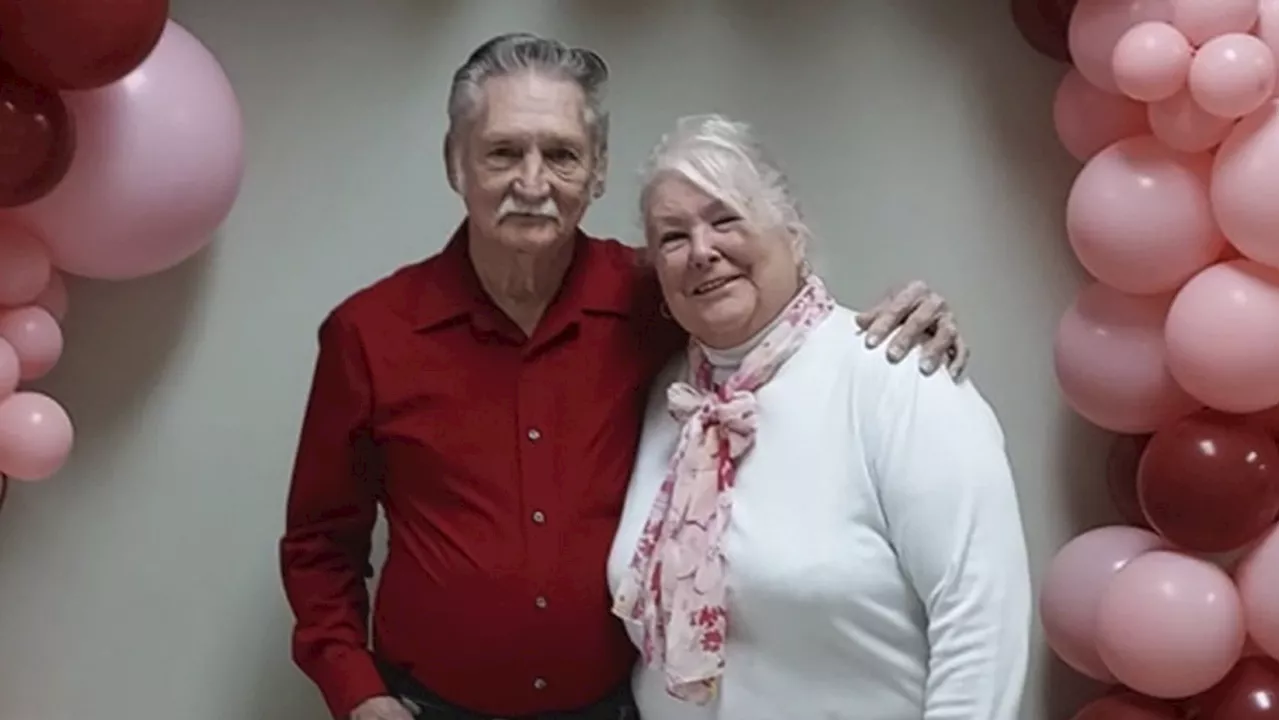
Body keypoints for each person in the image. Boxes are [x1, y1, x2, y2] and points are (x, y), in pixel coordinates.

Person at [279, 33, 971, 720]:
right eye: (501, 152)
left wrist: (895, 322)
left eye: (561, 155)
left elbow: (779, 328)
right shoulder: (369, 334)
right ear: (455, 163)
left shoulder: (659, 299)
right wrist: (358, 693)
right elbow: (319, 546)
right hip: (429, 706)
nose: (532, 182)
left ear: (598, 170)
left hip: (613, 708)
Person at [606, 114, 1030, 719]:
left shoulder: (896, 375)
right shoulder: (665, 398)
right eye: (672, 237)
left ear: (794, 233)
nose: (702, 251)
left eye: (726, 218)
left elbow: (982, 618)